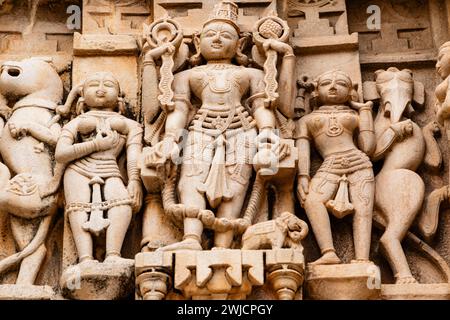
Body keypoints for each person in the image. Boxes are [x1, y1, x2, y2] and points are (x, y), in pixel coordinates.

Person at [296, 70, 376, 265]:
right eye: (326, 83)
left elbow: (368, 147)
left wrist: (365, 111)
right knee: (312, 200)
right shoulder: (306, 120)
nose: (332, 86)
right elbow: (303, 149)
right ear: (316, 90)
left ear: (350, 91)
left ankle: (362, 259)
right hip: (330, 164)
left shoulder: (354, 115)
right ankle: (329, 252)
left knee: (363, 209)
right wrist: (303, 176)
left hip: (359, 163)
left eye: (340, 83)